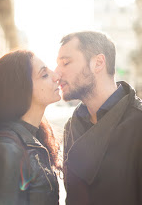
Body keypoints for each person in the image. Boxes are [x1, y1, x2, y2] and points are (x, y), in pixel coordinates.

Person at [55, 31, 142, 205]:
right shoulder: (72, 125)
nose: (57, 74)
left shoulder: (138, 123)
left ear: (98, 63)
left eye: (65, 63)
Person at [0, 50, 61, 204]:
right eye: (44, 75)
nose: (56, 76)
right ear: (20, 88)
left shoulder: (35, 136)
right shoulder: (5, 148)